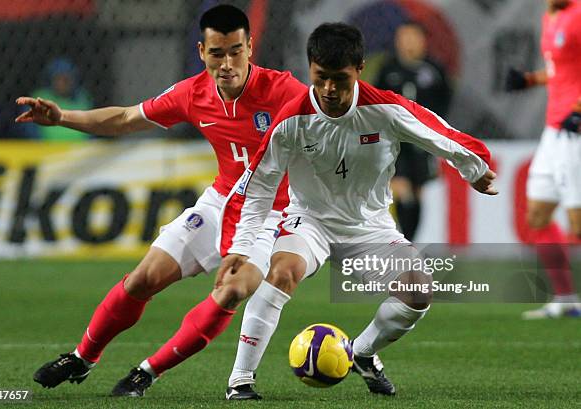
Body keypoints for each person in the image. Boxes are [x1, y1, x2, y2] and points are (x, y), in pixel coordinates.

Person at [176, 22, 495, 400]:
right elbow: (259, 187)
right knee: (281, 272)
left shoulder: (385, 109)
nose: (329, 89)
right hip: (309, 221)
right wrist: (242, 246)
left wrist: (474, 169)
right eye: (320, 77)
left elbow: (438, 133)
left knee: (418, 290)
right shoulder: (291, 119)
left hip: (371, 229)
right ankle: (240, 381)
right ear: (310, 68)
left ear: (359, 69)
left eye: (339, 79)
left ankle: (361, 353)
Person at [14, 4, 315, 398]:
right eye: (217, 53)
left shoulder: (283, 90)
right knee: (142, 279)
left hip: (269, 215)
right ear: (201, 51)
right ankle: (82, 357)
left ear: (250, 47)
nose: (227, 64)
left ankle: (147, 371)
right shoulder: (193, 93)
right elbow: (124, 119)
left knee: (234, 289)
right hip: (219, 203)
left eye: (235, 52)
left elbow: (335, 126)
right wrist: (62, 118)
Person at [505, 0, 581, 319]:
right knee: (536, 215)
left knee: (577, 225)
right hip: (554, 131)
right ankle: (565, 299)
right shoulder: (552, 15)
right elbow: (562, 70)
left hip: (575, 130)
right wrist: (531, 80)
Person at [374, 22, 452, 240]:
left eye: (412, 37)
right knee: (400, 186)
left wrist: (438, 130)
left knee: (417, 191)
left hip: (423, 140)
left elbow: (445, 100)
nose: (407, 42)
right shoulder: (388, 69)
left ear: (423, 40)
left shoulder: (434, 70)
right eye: (403, 37)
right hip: (394, 140)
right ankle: (404, 244)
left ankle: (410, 241)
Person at [29, 58, 93, 141]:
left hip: (78, 148)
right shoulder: (40, 98)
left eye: (65, 79)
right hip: (46, 147)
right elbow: (31, 130)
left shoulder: (83, 99)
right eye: (58, 79)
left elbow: (92, 128)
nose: (61, 83)